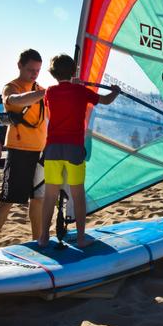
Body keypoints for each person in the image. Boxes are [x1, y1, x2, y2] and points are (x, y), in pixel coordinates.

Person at [38, 54, 120, 248]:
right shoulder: (82, 91)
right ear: (74, 71)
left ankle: (43, 237)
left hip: (53, 149)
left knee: (50, 195)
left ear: (53, 73)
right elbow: (106, 100)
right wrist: (115, 91)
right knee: (78, 195)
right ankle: (81, 239)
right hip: (74, 149)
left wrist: (74, 84)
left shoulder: (49, 92)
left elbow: (54, 106)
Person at [0, 49, 47, 250]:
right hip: (19, 150)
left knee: (38, 200)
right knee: (7, 200)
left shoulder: (40, 88)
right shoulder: (11, 87)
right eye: (31, 70)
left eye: (38, 70)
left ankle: (37, 242)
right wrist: (43, 93)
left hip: (41, 151)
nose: (34, 74)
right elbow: (16, 101)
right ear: (19, 65)